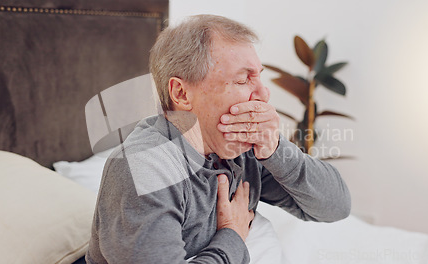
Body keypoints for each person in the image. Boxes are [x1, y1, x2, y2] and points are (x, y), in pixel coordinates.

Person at [86, 14, 351, 264]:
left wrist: (274, 148)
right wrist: (233, 237)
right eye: (242, 80)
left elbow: (336, 206)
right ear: (181, 93)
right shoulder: (145, 167)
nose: (264, 93)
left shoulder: (240, 152)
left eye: (259, 77)